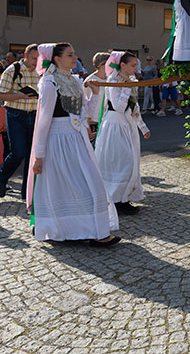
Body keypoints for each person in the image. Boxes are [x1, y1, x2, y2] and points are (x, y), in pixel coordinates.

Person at [27, 43, 119, 246]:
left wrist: (95, 94)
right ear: (57, 59)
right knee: (64, 186)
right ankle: (69, 230)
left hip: (77, 139)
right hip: (58, 140)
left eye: (74, 53)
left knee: (91, 182)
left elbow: (88, 113)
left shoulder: (75, 81)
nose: (75, 57)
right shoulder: (49, 83)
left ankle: (95, 230)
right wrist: (39, 155)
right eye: (70, 55)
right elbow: (43, 121)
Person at [94, 51, 151, 215]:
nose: (136, 68)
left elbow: (134, 107)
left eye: (136, 65)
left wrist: (143, 127)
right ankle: (115, 200)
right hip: (115, 125)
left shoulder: (131, 80)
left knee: (130, 162)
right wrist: (126, 88)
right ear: (122, 65)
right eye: (133, 65)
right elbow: (118, 106)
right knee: (121, 163)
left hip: (128, 125)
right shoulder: (113, 80)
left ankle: (124, 198)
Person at [0, 44, 39, 198]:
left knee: (31, 155)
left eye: (38, 58)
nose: (36, 62)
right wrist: (21, 96)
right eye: (33, 58)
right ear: (25, 55)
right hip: (16, 114)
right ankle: (2, 177)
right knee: (18, 152)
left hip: (35, 114)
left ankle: (26, 192)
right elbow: (1, 95)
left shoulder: (40, 72)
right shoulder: (12, 70)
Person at [83, 52, 110, 143]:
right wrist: (87, 124)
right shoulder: (90, 80)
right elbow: (85, 103)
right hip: (93, 121)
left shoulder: (109, 80)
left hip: (106, 119)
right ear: (102, 64)